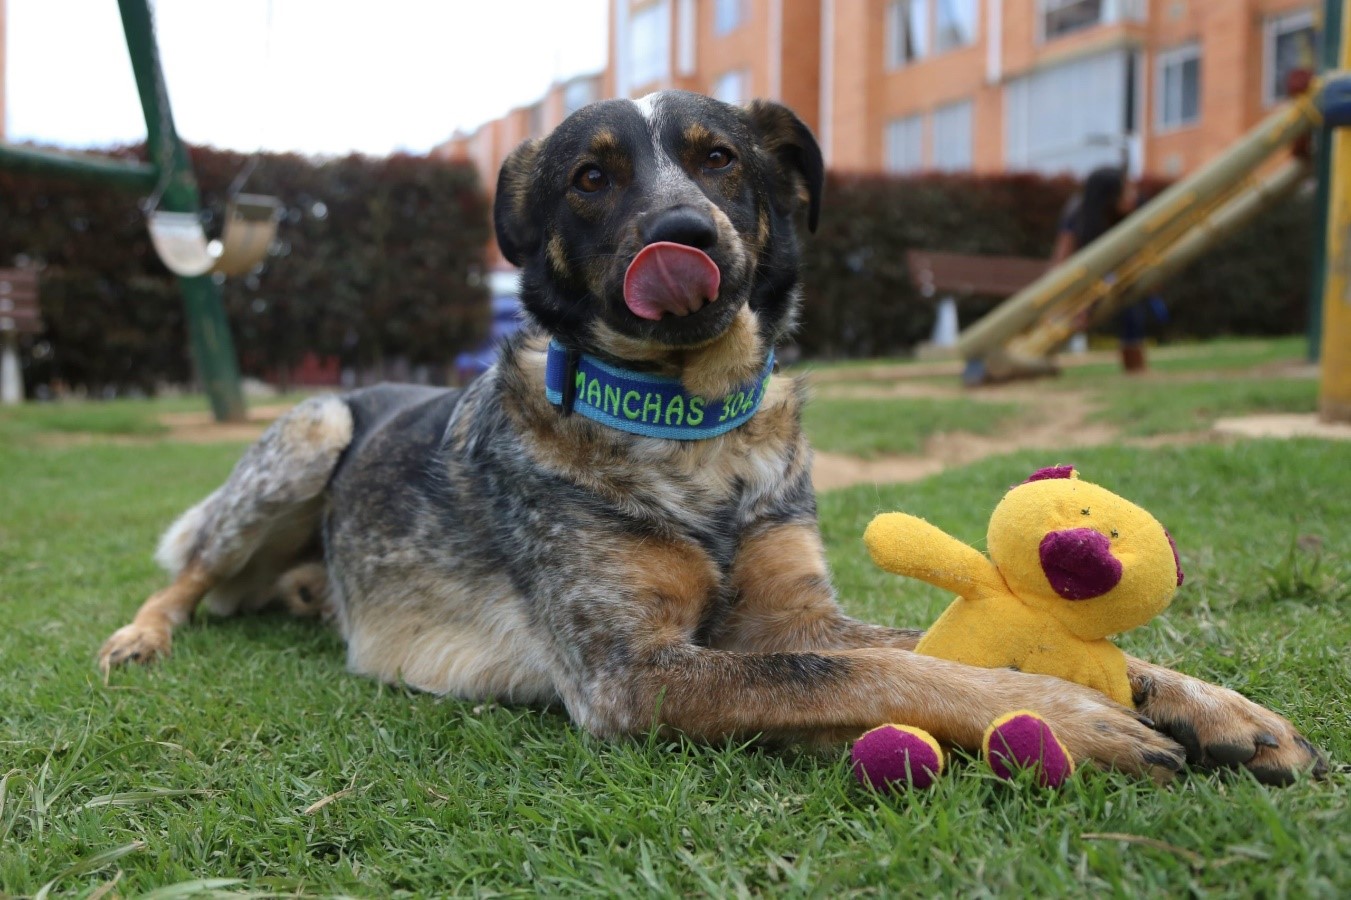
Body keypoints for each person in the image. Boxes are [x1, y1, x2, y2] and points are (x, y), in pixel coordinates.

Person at [1051, 167, 1154, 372]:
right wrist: (1072, 299)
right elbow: (1061, 263)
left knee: (1130, 296)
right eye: (1127, 191)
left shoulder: (1134, 213)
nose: (1133, 196)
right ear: (1109, 196)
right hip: (1086, 282)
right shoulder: (1078, 215)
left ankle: (1135, 365)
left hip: (1117, 280)